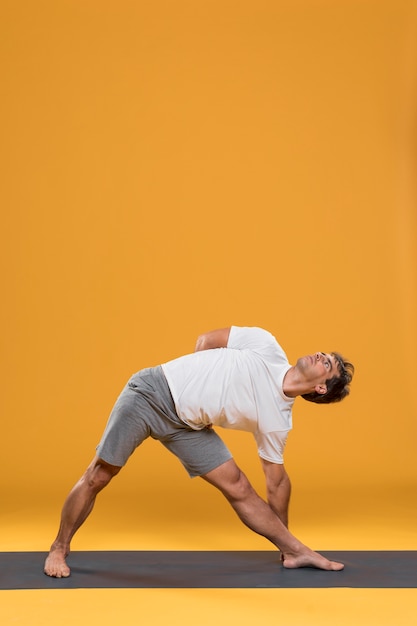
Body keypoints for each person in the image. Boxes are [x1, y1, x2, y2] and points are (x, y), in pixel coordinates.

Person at [44, 326, 354, 578]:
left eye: (326, 363)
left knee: (240, 487)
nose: (319, 355)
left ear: (321, 389)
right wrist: (193, 384)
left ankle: (295, 552)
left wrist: (284, 535)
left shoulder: (278, 420)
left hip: (187, 427)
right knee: (99, 475)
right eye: (322, 353)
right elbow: (208, 340)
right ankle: (59, 548)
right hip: (151, 393)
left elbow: (276, 480)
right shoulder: (266, 345)